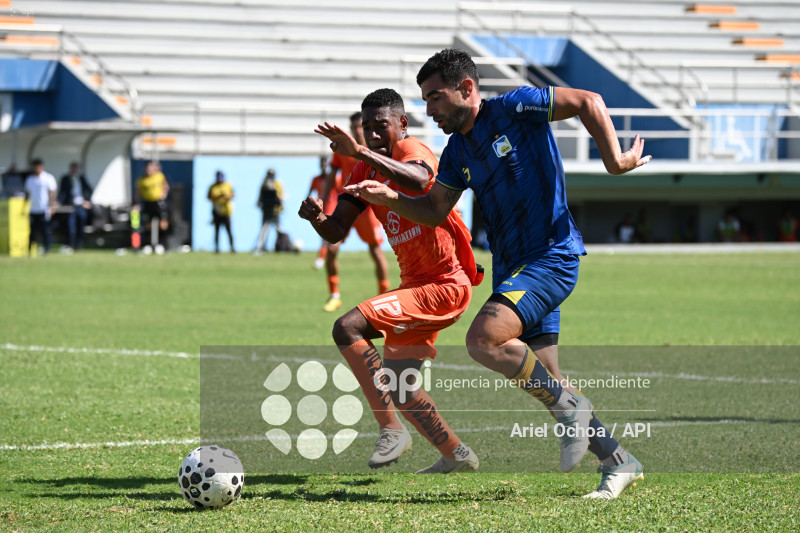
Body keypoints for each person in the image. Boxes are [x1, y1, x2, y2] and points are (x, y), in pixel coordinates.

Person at [348, 49, 651, 498]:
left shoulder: (514, 106)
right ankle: (619, 460)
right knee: (547, 379)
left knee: (483, 340)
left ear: (466, 89)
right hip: (513, 268)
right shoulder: (455, 153)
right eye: (424, 100)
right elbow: (433, 210)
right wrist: (386, 198)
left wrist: (615, 161)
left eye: (434, 97)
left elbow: (588, 101)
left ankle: (577, 412)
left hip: (552, 254)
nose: (428, 110)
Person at [302, 88, 483, 473]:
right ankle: (456, 454)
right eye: (366, 129)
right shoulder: (363, 169)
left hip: (444, 283)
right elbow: (336, 231)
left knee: (347, 327)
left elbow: (420, 182)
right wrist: (316, 218)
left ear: (402, 124)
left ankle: (391, 430)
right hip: (417, 285)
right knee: (402, 384)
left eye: (380, 126)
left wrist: (360, 153)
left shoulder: (412, 150)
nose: (372, 135)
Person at [320, 111, 390, 312]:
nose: (358, 130)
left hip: (368, 208)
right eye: (355, 127)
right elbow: (332, 175)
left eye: (362, 126)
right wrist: (325, 201)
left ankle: (383, 295)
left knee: (375, 251)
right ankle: (334, 294)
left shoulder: (374, 150)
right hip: (347, 204)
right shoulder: (342, 150)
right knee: (331, 249)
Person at [133, 160, 169, 254]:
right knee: (148, 225)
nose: (149, 170)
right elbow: (138, 192)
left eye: (151, 167)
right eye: (147, 168)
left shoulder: (159, 176)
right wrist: (136, 203)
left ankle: (162, 244)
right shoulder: (142, 179)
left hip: (158, 203)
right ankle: (148, 245)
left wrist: (163, 195)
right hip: (147, 203)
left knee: (162, 224)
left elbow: (166, 186)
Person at [24, 158, 57, 255]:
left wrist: (52, 206)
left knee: (45, 231)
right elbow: (27, 194)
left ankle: (46, 249)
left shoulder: (48, 178)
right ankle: (29, 250)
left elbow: (52, 193)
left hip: (44, 209)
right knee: (32, 231)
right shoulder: (30, 179)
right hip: (33, 209)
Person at [58, 162, 93, 252]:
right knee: (71, 226)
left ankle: (79, 245)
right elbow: (62, 193)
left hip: (81, 206)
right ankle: (70, 245)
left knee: (81, 226)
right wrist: (58, 202)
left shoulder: (81, 178)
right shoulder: (65, 178)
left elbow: (89, 189)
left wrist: (87, 201)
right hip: (71, 206)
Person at [307, 156, 333, 269]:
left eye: (326, 164)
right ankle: (322, 258)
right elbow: (309, 194)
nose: (324, 166)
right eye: (322, 164)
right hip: (321, 211)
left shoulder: (333, 179)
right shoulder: (315, 179)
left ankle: (321, 258)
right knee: (325, 236)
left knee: (329, 236)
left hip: (332, 209)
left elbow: (340, 192)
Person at [254, 168, 283, 255]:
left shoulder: (278, 184)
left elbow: (280, 197)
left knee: (278, 228)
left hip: (275, 210)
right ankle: (261, 247)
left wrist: (280, 205)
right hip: (266, 209)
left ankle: (282, 245)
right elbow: (261, 196)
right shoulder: (264, 184)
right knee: (265, 228)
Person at [207, 170, 235, 254]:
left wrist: (226, 196)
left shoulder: (228, 185)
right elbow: (209, 197)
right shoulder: (212, 187)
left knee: (229, 231)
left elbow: (233, 195)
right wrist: (218, 196)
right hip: (217, 212)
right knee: (217, 231)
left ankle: (232, 248)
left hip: (226, 212)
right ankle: (216, 249)